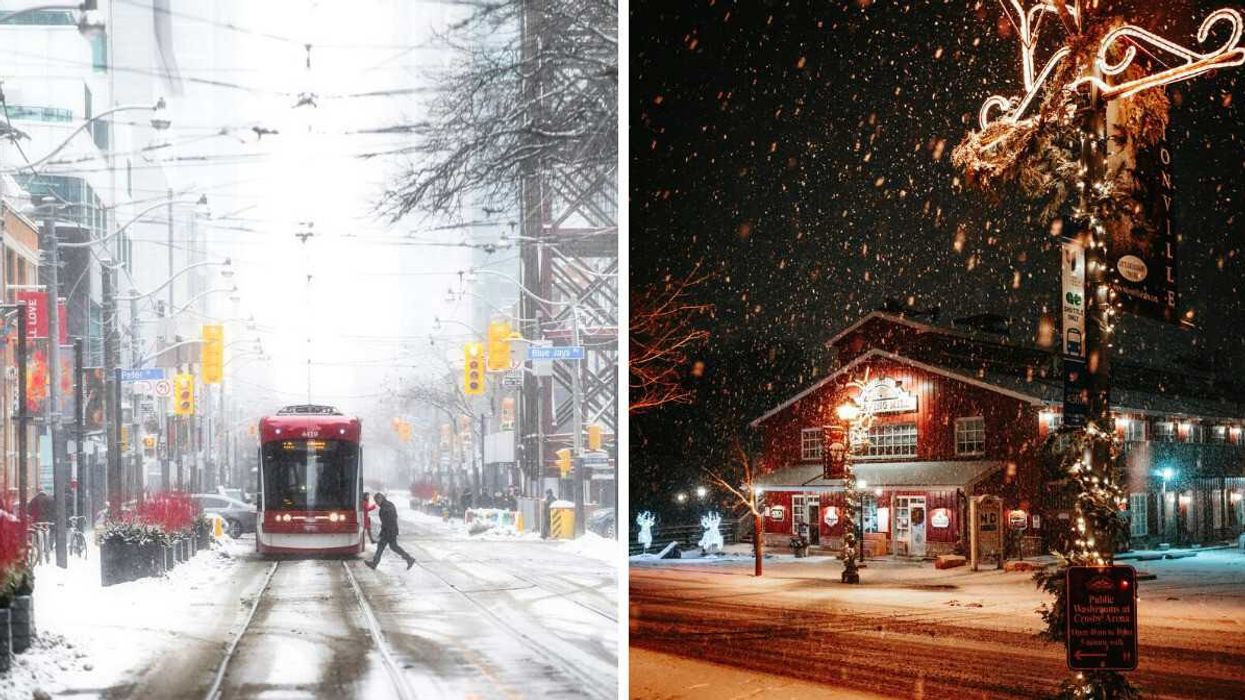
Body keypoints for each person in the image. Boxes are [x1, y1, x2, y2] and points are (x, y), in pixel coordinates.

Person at [366, 493, 414, 570]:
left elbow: (388, 520)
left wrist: (385, 531)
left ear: (380, 498)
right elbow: (393, 517)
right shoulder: (388, 505)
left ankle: (374, 564)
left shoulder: (385, 507)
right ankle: (409, 559)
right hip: (391, 530)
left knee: (381, 546)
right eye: (375, 501)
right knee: (393, 547)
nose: (376, 503)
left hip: (389, 531)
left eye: (377, 501)